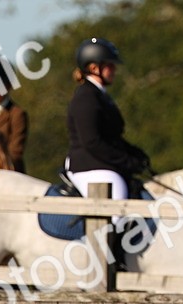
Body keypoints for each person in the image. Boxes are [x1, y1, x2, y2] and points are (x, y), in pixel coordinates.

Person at [64, 37, 150, 202]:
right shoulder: (86, 98)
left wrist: (134, 153)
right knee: (118, 207)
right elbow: (92, 142)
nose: (114, 70)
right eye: (110, 65)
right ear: (94, 68)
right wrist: (127, 161)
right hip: (90, 166)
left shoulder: (100, 96)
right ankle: (107, 229)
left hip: (102, 164)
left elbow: (111, 137)